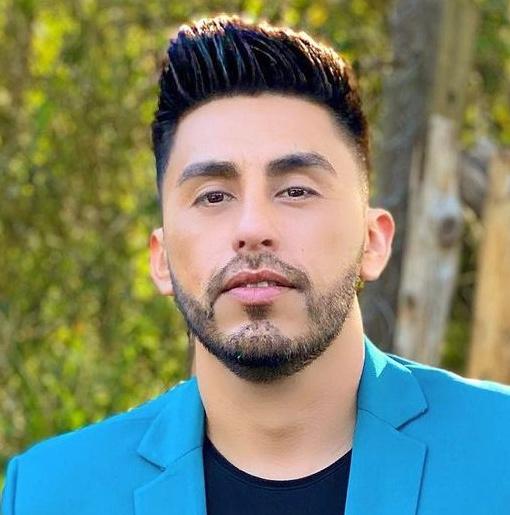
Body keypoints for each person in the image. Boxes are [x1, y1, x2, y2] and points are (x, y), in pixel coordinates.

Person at [2, 14, 510, 515]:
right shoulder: (50, 495)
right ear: (161, 260)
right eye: (213, 195)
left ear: (373, 242)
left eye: (296, 190)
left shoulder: (498, 451)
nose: (252, 227)